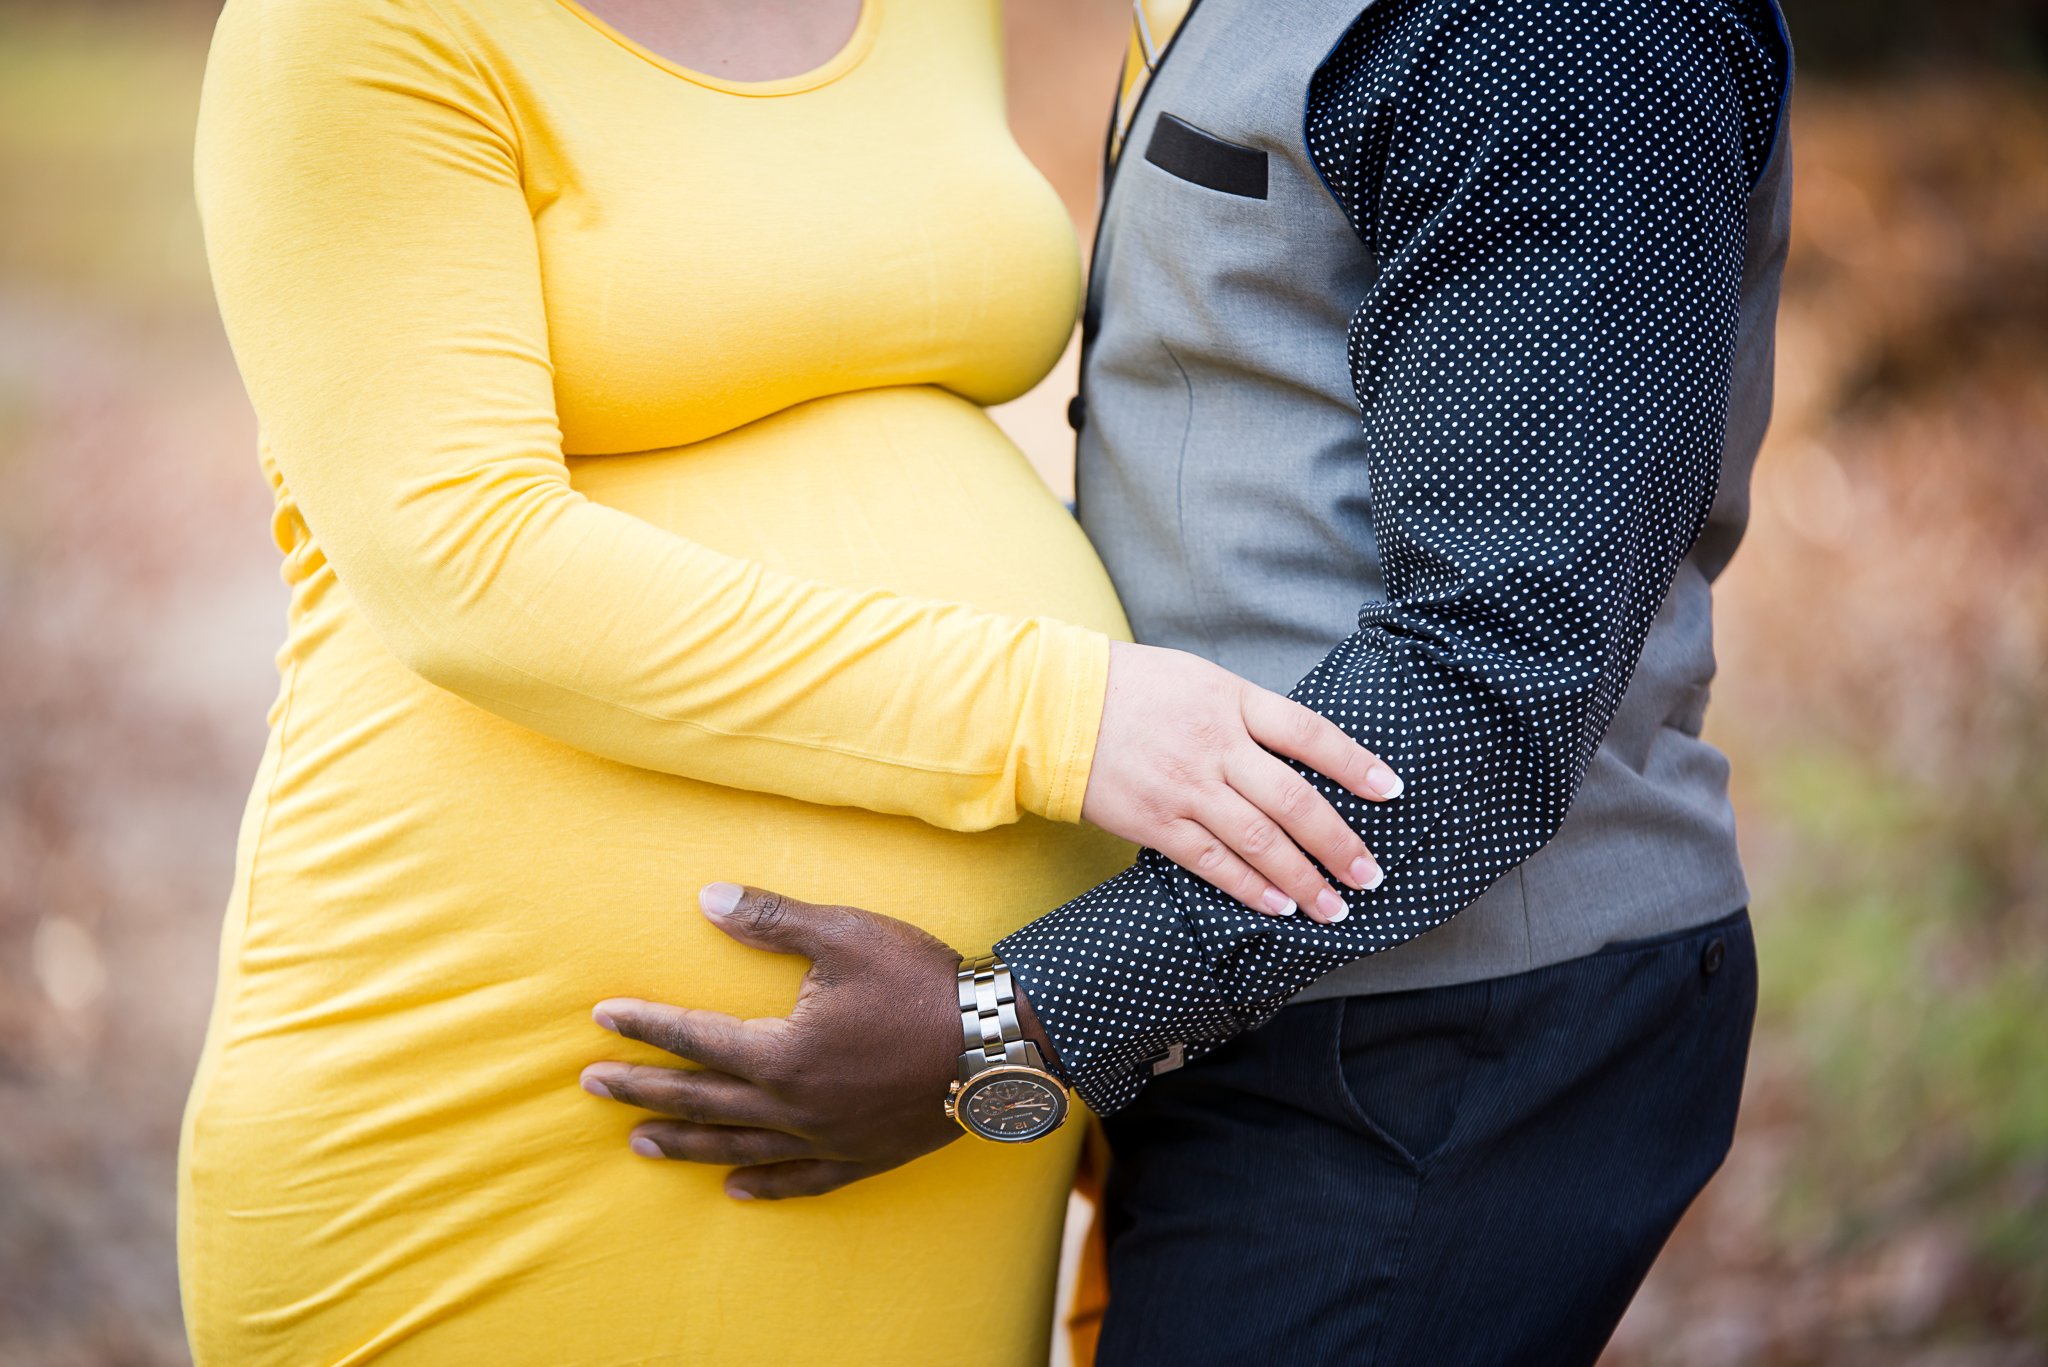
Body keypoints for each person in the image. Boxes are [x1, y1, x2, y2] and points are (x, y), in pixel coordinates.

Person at [176, 1, 1411, 1362]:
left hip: (935, 1108)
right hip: (515, 1100)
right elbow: (463, 562)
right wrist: (1065, 719)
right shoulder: (356, 31)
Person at [584, 0, 1795, 1362]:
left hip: (1439, 1042)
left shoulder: (1546, 32)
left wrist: (1005, 1028)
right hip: (1241, 980)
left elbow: (1494, 680)